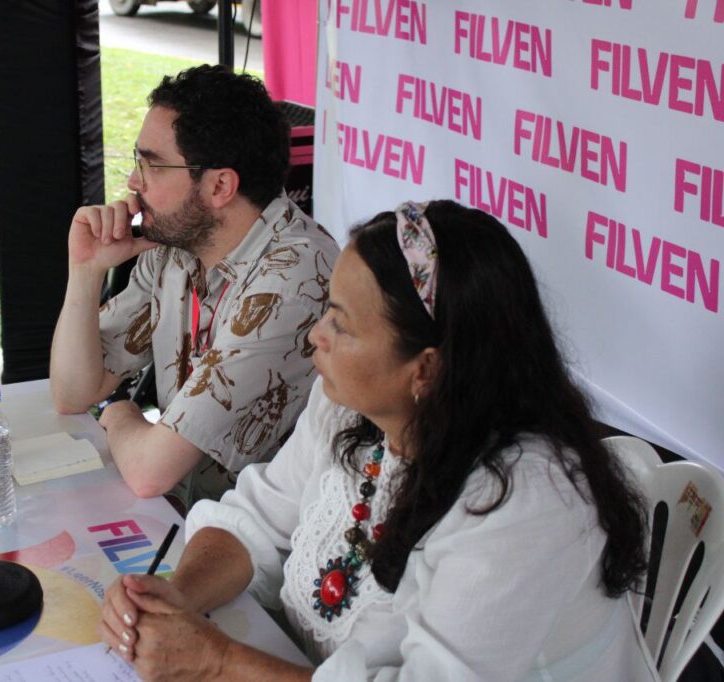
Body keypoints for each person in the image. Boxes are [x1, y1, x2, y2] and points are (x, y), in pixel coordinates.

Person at [99, 200, 655, 680]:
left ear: (426, 370)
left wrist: (214, 662)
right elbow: (256, 520)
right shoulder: (352, 407)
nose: (315, 336)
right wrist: (178, 596)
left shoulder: (526, 502)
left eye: (340, 324)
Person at [50, 65, 339, 505]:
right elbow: (73, 393)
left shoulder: (292, 279)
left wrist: (119, 411)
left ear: (220, 185)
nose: (133, 182)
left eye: (152, 165)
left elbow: (151, 472)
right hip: (188, 514)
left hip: (259, 537)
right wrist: (85, 270)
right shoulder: (179, 246)